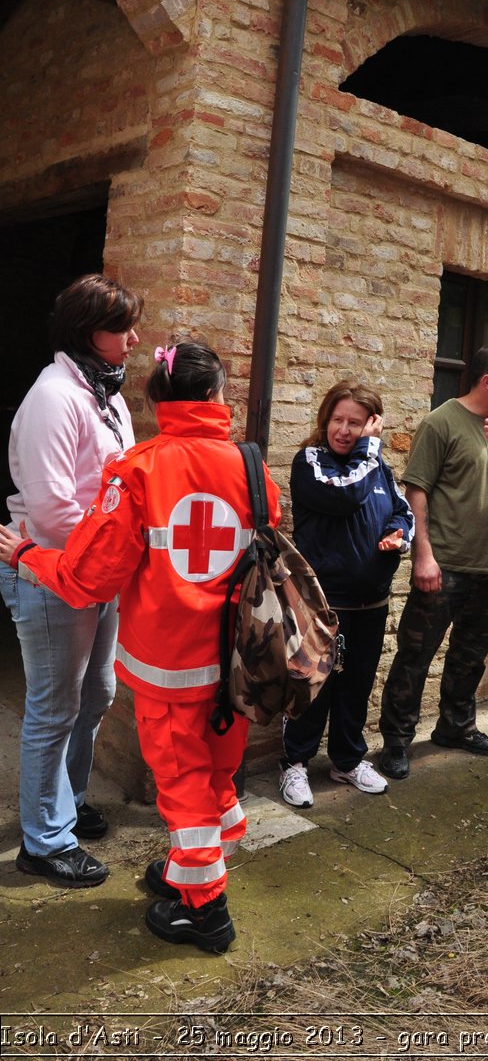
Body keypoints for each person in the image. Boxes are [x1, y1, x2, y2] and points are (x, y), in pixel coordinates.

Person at [0, 342, 281, 955]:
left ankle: (204, 911)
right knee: (217, 770)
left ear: (155, 401)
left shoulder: (138, 471)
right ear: (217, 395)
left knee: (181, 782)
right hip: (237, 664)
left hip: (170, 666)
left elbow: (90, 576)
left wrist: (27, 557)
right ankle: (191, 868)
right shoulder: (253, 466)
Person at [0, 274, 141, 889]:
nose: (135, 339)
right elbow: (54, 509)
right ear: (90, 334)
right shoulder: (54, 397)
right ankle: (44, 841)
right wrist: (117, 544)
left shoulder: (104, 391)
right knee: (54, 709)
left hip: (96, 571)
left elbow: (120, 481)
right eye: (122, 328)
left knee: (97, 694)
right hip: (56, 575)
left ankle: (66, 802)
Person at [378, 345, 488, 780]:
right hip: (445, 565)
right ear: (487, 382)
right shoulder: (441, 422)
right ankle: (395, 741)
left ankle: (456, 727)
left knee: (470, 657)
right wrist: (424, 556)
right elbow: (415, 489)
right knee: (416, 656)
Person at [278, 381, 415, 808]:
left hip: (371, 600)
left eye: (355, 423)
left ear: (369, 423)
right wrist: (369, 448)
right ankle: (294, 764)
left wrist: (399, 534)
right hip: (324, 601)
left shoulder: (379, 467)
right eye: (338, 419)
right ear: (325, 419)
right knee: (312, 685)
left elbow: (402, 509)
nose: (344, 429)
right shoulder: (311, 462)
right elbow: (344, 495)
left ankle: (347, 760)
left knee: (356, 684)